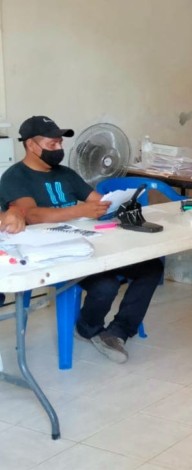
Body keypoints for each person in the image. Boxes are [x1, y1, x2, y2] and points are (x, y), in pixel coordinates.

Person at [0, 116, 163, 364]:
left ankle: (118, 331)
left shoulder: (66, 174)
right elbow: (31, 215)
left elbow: (97, 200)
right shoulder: (15, 177)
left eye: (60, 143)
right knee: (105, 285)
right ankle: (88, 328)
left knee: (151, 268)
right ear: (31, 145)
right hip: (51, 254)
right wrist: (80, 211)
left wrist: (116, 203)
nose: (59, 149)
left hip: (87, 244)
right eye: (52, 144)